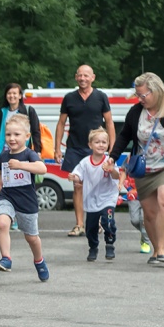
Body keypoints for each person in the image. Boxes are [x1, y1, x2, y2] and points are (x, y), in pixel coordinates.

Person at [108, 72, 164, 267]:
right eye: (138, 95)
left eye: (143, 95)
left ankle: (163, 249)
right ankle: (156, 249)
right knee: (148, 213)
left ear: (155, 91)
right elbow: (124, 137)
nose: (140, 99)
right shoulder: (136, 112)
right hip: (143, 168)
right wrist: (112, 157)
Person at [0, 114, 50, 281]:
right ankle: (6, 259)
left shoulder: (29, 154)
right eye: (8, 134)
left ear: (26, 137)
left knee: (31, 238)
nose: (12, 138)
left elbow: (42, 168)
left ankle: (39, 261)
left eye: (17, 135)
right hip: (7, 196)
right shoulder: (4, 155)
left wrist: (20, 165)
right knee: (2, 222)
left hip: (27, 201)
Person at [55, 65, 114, 237]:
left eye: (86, 76)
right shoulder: (69, 98)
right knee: (78, 185)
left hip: (96, 149)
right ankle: (80, 224)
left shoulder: (101, 97)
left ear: (93, 77)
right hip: (75, 147)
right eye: (80, 75)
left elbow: (109, 122)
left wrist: (112, 147)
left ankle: (96, 222)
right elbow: (61, 123)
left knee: (97, 186)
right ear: (76, 77)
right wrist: (57, 148)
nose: (83, 78)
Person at [0, 83, 42, 230]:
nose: (12, 96)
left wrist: (38, 151)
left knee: (21, 184)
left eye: (15, 93)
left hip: (23, 153)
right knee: (1, 183)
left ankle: (17, 215)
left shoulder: (28, 110)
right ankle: (0, 214)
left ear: (20, 95)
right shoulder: (2, 112)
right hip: (4, 152)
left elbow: (36, 131)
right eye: (9, 93)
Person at [69, 128, 121, 261]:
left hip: (108, 198)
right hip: (91, 200)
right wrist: (73, 177)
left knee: (108, 222)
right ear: (90, 145)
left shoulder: (110, 160)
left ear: (108, 144)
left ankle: (110, 245)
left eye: (104, 142)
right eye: (97, 142)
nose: (101, 145)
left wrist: (111, 170)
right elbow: (78, 176)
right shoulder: (85, 162)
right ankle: (93, 247)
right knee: (90, 228)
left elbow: (117, 175)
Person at [119, 171, 152, 254]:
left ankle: (145, 243)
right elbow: (123, 172)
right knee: (135, 220)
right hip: (133, 195)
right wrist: (129, 188)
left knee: (143, 220)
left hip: (147, 193)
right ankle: (145, 234)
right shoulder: (129, 159)